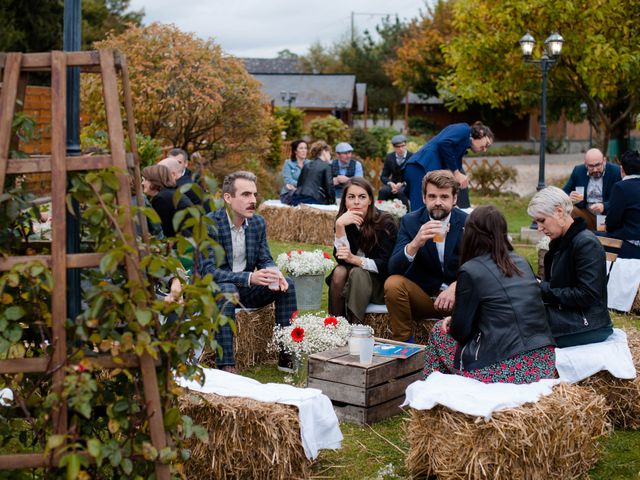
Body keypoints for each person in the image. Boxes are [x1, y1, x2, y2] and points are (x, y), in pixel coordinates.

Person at [423, 205, 556, 383]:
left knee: (439, 331)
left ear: (470, 234)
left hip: (505, 368)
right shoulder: (521, 262)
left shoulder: (471, 270)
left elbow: (460, 332)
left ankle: (433, 397)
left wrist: (454, 321)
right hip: (544, 362)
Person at [199, 171, 297, 373]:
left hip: (245, 290)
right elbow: (208, 272)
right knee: (227, 289)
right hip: (215, 291)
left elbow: (265, 258)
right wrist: (250, 277)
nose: (253, 200)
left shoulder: (258, 223)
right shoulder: (209, 224)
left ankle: (286, 353)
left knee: (286, 285)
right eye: (245, 195)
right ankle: (226, 364)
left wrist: (273, 273)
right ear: (228, 198)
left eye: (254, 195)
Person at [384, 170, 467, 342]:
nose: (438, 202)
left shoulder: (467, 223)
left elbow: (482, 264)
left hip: (459, 302)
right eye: (432, 196)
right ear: (424, 198)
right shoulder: (411, 221)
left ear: (455, 199)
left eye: (444, 197)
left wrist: (456, 286)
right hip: (425, 298)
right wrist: (415, 243)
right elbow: (393, 268)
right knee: (393, 284)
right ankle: (405, 344)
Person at [528, 186, 613, 347]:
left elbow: (587, 295)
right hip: (569, 318)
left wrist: (541, 289)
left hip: (588, 326)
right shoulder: (562, 242)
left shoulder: (586, 243)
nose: (539, 228)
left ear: (559, 212)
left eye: (542, 220)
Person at [327, 178, 398, 322]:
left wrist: (355, 259)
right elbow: (341, 259)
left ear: (370, 200)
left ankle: (355, 326)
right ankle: (335, 326)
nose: (356, 202)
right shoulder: (344, 220)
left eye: (362, 197)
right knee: (339, 271)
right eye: (351, 197)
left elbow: (386, 264)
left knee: (357, 272)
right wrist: (340, 226)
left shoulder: (386, 222)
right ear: (345, 201)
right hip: (351, 278)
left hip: (379, 284)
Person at [404, 122, 493, 211]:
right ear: (481, 133)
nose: (485, 150)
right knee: (420, 211)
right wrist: (456, 172)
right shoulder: (464, 129)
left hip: (427, 170)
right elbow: (444, 142)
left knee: (428, 209)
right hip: (420, 166)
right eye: (487, 144)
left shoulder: (463, 145)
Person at [562, 148, 621, 230]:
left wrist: (604, 206)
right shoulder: (578, 171)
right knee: (569, 209)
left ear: (604, 160)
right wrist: (569, 196)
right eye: (591, 166)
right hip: (587, 214)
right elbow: (563, 193)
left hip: (608, 215)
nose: (595, 169)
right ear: (585, 164)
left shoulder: (616, 171)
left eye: (598, 165)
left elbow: (621, 199)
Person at [603, 149, 640, 258]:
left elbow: (612, 221)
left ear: (622, 169)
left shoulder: (621, 187)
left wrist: (608, 226)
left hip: (631, 244)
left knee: (590, 238)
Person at [142, 164, 193, 238]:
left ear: (154, 180)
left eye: (145, 180)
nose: (142, 183)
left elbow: (164, 231)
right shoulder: (170, 194)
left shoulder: (162, 198)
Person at [291, 140, 335, 206]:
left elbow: (299, 184)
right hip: (312, 199)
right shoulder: (326, 166)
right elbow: (329, 186)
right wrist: (333, 202)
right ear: (324, 151)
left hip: (296, 198)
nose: (330, 156)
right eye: (329, 153)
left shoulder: (306, 165)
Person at [378, 134, 413, 206]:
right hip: (393, 184)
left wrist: (402, 184)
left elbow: (413, 176)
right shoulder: (389, 157)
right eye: (398, 147)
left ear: (406, 145)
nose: (401, 149)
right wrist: (391, 183)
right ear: (394, 147)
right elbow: (383, 176)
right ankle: (379, 212)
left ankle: (405, 215)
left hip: (406, 184)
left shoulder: (412, 157)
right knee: (383, 191)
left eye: (403, 146)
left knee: (401, 192)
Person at [279, 140, 309, 204]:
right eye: (301, 148)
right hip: (289, 193)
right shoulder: (288, 163)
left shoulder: (310, 163)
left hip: (305, 192)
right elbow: (288, 181)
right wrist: (303, 185)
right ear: (295, 151)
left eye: (305, 148)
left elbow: (312, 180)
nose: (304, 150)